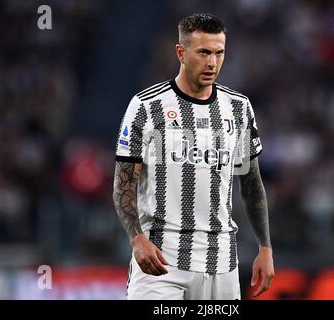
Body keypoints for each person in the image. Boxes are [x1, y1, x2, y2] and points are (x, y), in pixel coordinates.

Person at [113, 13, 274, 300]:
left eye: (219, 53)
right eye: (203, 52)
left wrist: (265, 247)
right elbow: (124, 184)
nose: (212, 62)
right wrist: (136, 239)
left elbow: (251, 184)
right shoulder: (146, 106)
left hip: (222, 265)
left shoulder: (238, 108)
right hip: (161, 262)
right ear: (181, 53)